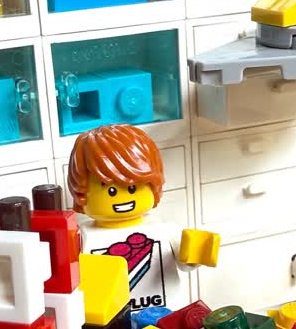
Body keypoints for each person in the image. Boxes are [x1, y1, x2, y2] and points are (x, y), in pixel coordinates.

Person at [68, 124, 217, 312]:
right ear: (81, 191)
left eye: (132, 188)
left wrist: (195, 252)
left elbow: (186, 263)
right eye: (111, 190)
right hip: (109, 323)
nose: (124, 198)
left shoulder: (163, 230)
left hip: (165, 317)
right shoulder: (81, 236)